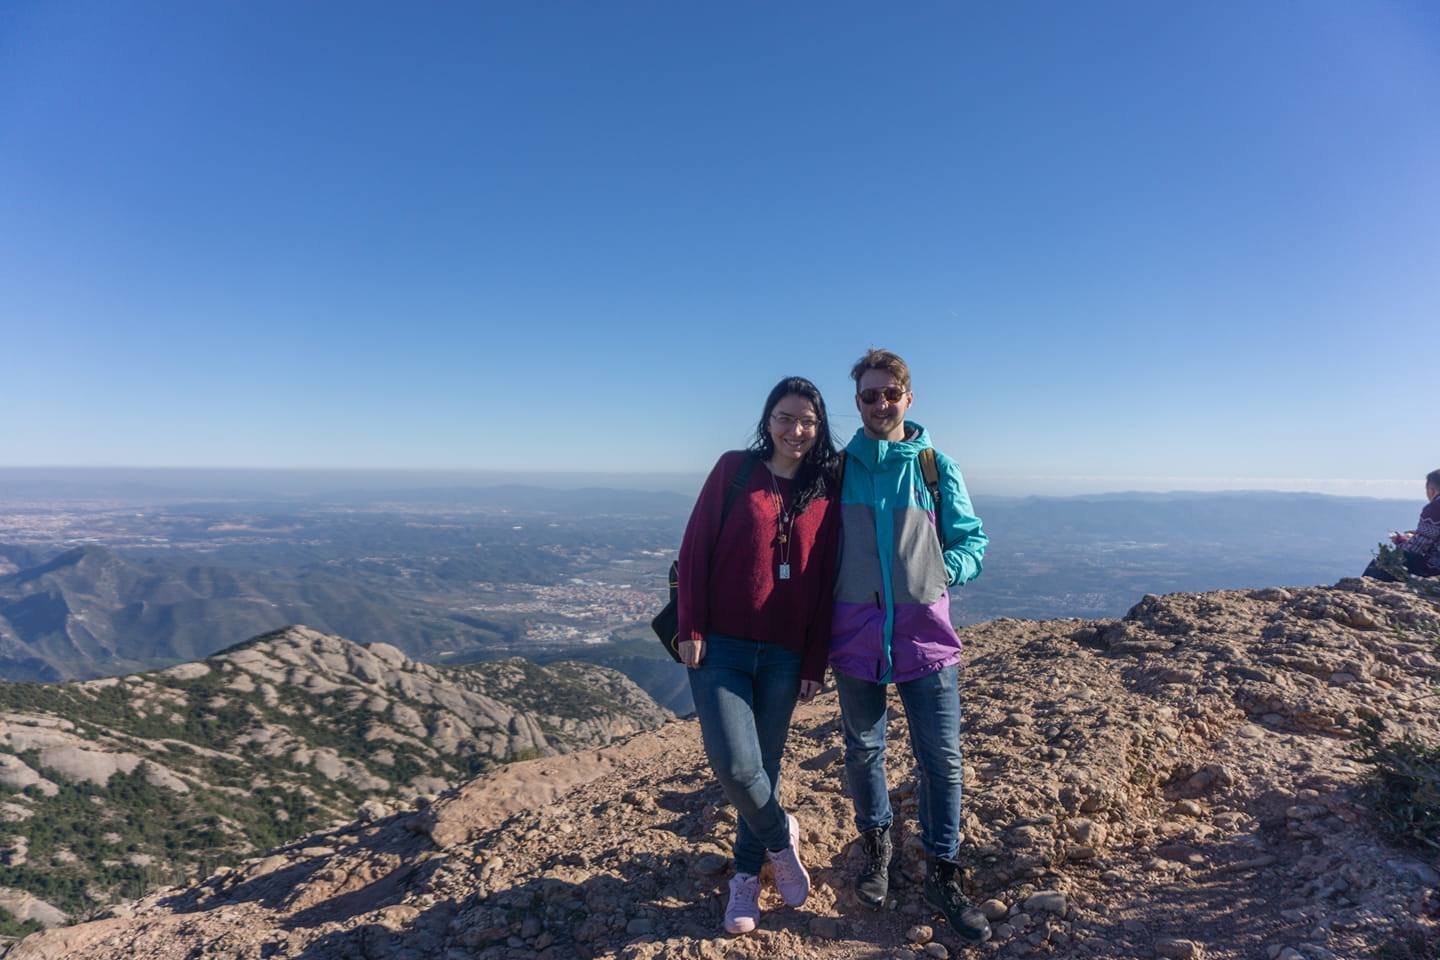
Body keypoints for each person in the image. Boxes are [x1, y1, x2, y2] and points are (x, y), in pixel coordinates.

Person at [829, 348, 992, 943]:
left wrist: (942, 572)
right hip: (856, 638)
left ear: (908, 398)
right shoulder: (837, 471)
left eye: (890, 394)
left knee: (941, 761)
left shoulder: (933, 467)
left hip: (926, 640)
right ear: (857, 403)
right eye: (869, 396)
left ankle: (943, 871)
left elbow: (972, 541)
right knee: (863, 750)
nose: (880, 404)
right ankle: (877, 848)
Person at [676, 376, 841, 935]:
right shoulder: (735, 470)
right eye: (785, 417)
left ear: (819, 428)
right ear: (768, 420)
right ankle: (779, 836)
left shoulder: (826, 489)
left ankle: (745, 880)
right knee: (735, 766)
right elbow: (694, 549)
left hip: (786, 653)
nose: (796, 430)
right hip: (720, 644)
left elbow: (827, 581)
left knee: (764, 767)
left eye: (808, 421)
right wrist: (690, 625)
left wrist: (814, 661)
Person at [1390, 469, 1440, 577]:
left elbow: (1416, 548)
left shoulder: (1435, 508)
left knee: (1391, 559)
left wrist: (1401, 540)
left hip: (1436, 569)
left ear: (1431, 490)